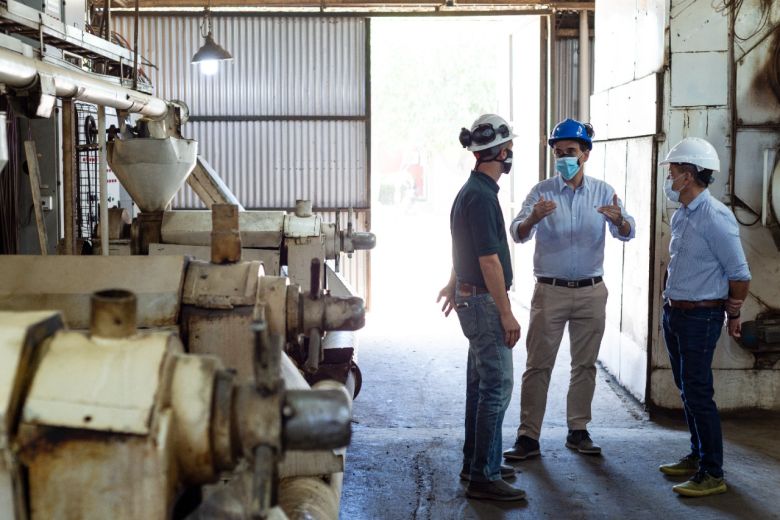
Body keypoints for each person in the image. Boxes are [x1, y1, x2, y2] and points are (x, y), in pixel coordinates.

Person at [503, 118, 635, 461]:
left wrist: (619, 219)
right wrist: (533, 219)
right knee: (538, 365)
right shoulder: (541, 192)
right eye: (559, 153)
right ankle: (528, 437)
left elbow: (627, 231)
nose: (564, 158)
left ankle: (578, 430)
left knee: (585, 365)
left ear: (585, 154)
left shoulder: (603, 192)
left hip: (591, 291)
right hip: (551, 292)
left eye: (571, 152)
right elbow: (517, 232)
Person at [437, 114, 525, 501]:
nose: (511, 156)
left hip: (469, 296)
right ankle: (484, 477)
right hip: (485, 303)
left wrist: (453, 281)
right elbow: (488, 260)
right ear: (503, 153)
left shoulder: (470, 191)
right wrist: (506, 313)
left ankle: (478, 460)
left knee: (481, 383)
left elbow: (463, 247)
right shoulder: (483, 197)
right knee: (497, 386)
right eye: (510, 151)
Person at [657, 137, 750, 497]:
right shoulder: (683, 212)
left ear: (690, 175)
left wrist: (734, 314)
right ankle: (697, 456)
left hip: (702, 318)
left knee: (698, 393)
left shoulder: (716, 217)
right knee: (687, 388)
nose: (670, 177)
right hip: (676, 314)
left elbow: (739, 274)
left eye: (674, 171)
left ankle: (713, 472)